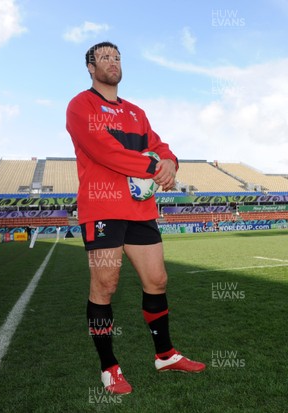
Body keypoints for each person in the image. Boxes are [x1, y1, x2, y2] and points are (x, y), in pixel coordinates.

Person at [66, 41, 205, 395]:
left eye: (117, 57)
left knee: (157, 280)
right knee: (105, 285)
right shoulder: (80, 106)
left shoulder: (136, 113)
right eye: (104, 58)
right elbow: (104, 150)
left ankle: (165, 355)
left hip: (140, 209)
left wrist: (170, 162)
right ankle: (109, 367)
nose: (112, 62)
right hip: (102, 208)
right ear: (89, 67)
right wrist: (154, 167)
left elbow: (159, 145)